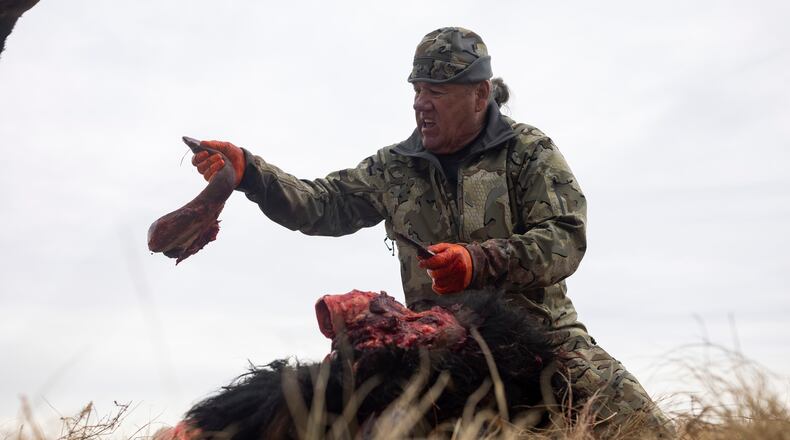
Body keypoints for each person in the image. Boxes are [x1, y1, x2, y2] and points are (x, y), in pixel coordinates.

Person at [191, 27, 674, 437]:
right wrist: (251, 173)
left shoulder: (529, 151)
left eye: (437, 93)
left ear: (480, 94)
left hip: (542, 339)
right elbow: (322, 206)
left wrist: (478, 261)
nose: (421, 104)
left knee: (645, 429)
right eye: (417, 90)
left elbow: (566, 239)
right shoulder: (393, 167)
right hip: (434, 346)